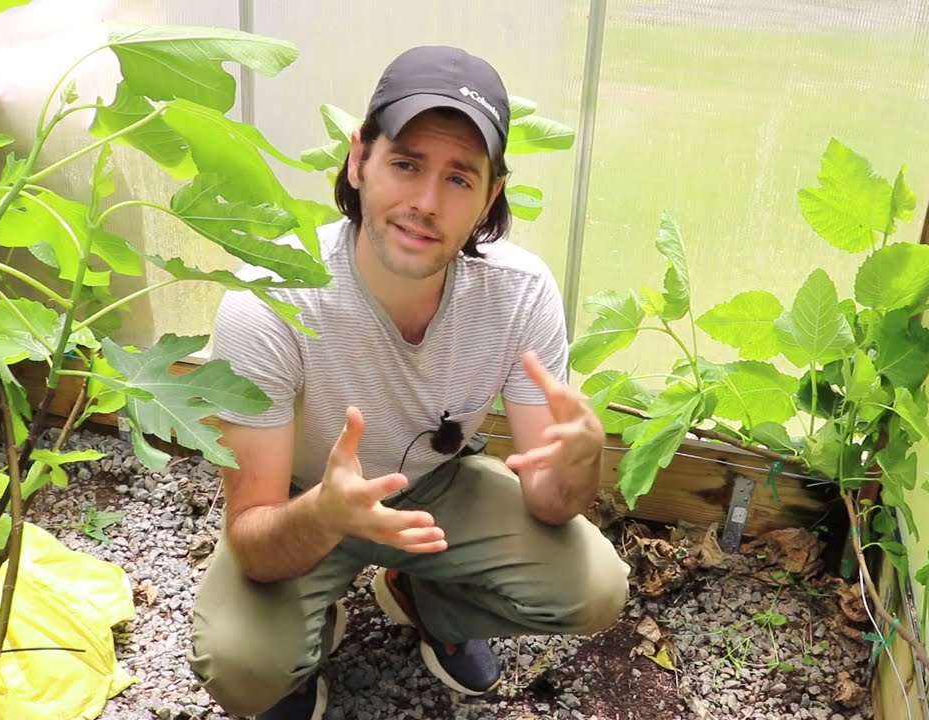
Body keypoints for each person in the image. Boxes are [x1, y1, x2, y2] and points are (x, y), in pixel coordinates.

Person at [188, 44, 631, 720]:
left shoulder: (519, 294)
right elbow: (252, 534)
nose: (426, 202)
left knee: (595, 589)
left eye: (459, 178)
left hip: (435, 487)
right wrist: (325, 515)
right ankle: (304, 643)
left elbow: (550, 502)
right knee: (243, 668)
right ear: (358, 159)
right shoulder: (270, 302)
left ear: (490, 196)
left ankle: (424, 601)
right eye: (406, 164)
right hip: (303, 500)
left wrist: (580, 463)